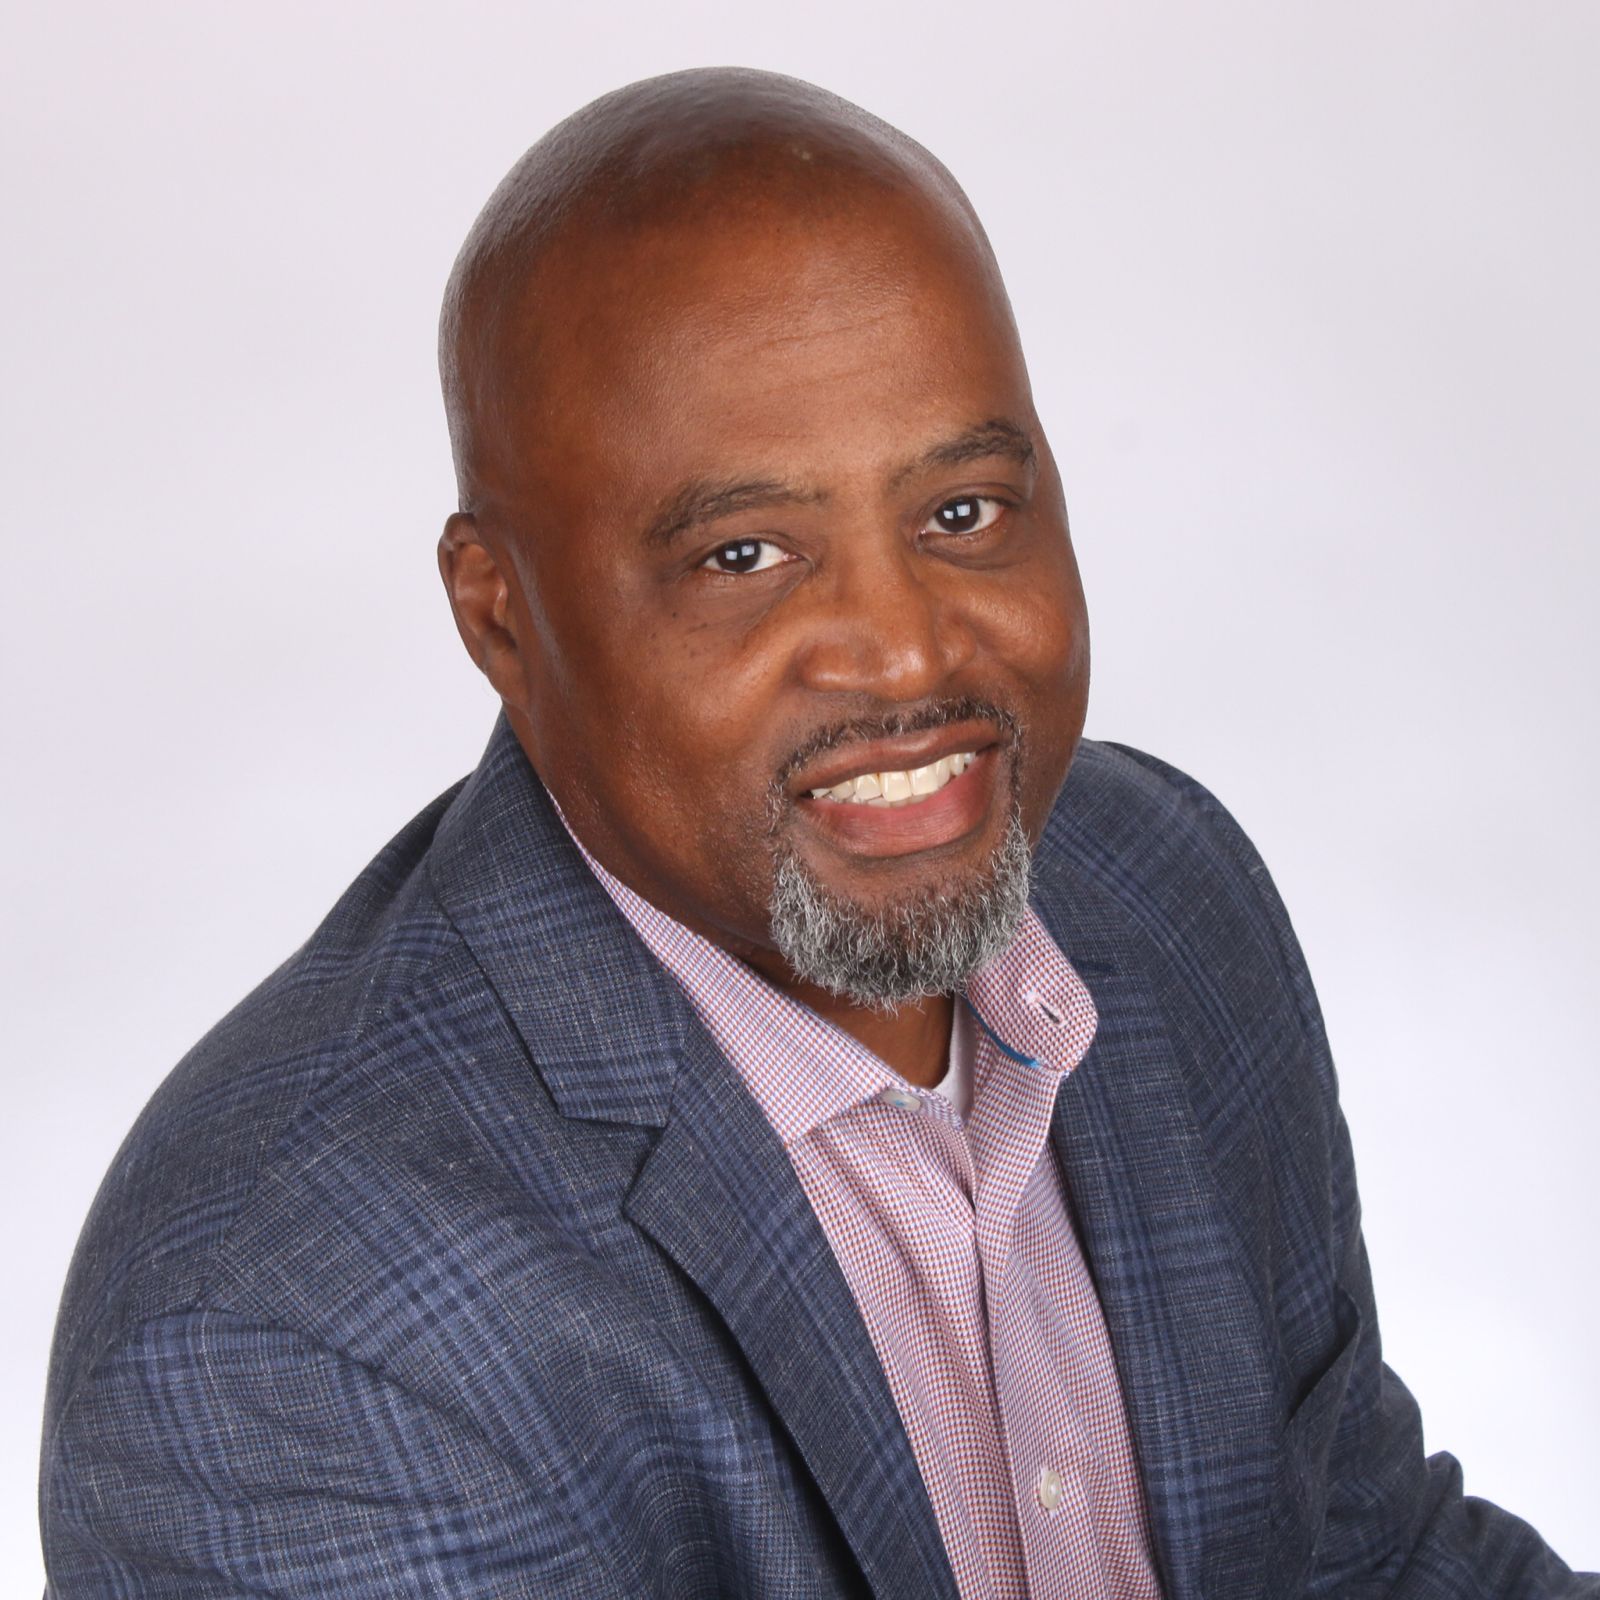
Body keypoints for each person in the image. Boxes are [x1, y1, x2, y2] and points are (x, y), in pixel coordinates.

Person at [39, 66, 1594, 1599]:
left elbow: (1360, 1558)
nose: (909, 654)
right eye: (747, 553)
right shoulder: (280, 1336)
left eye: (965, 512)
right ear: (502, 615)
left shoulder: (1164, 893)